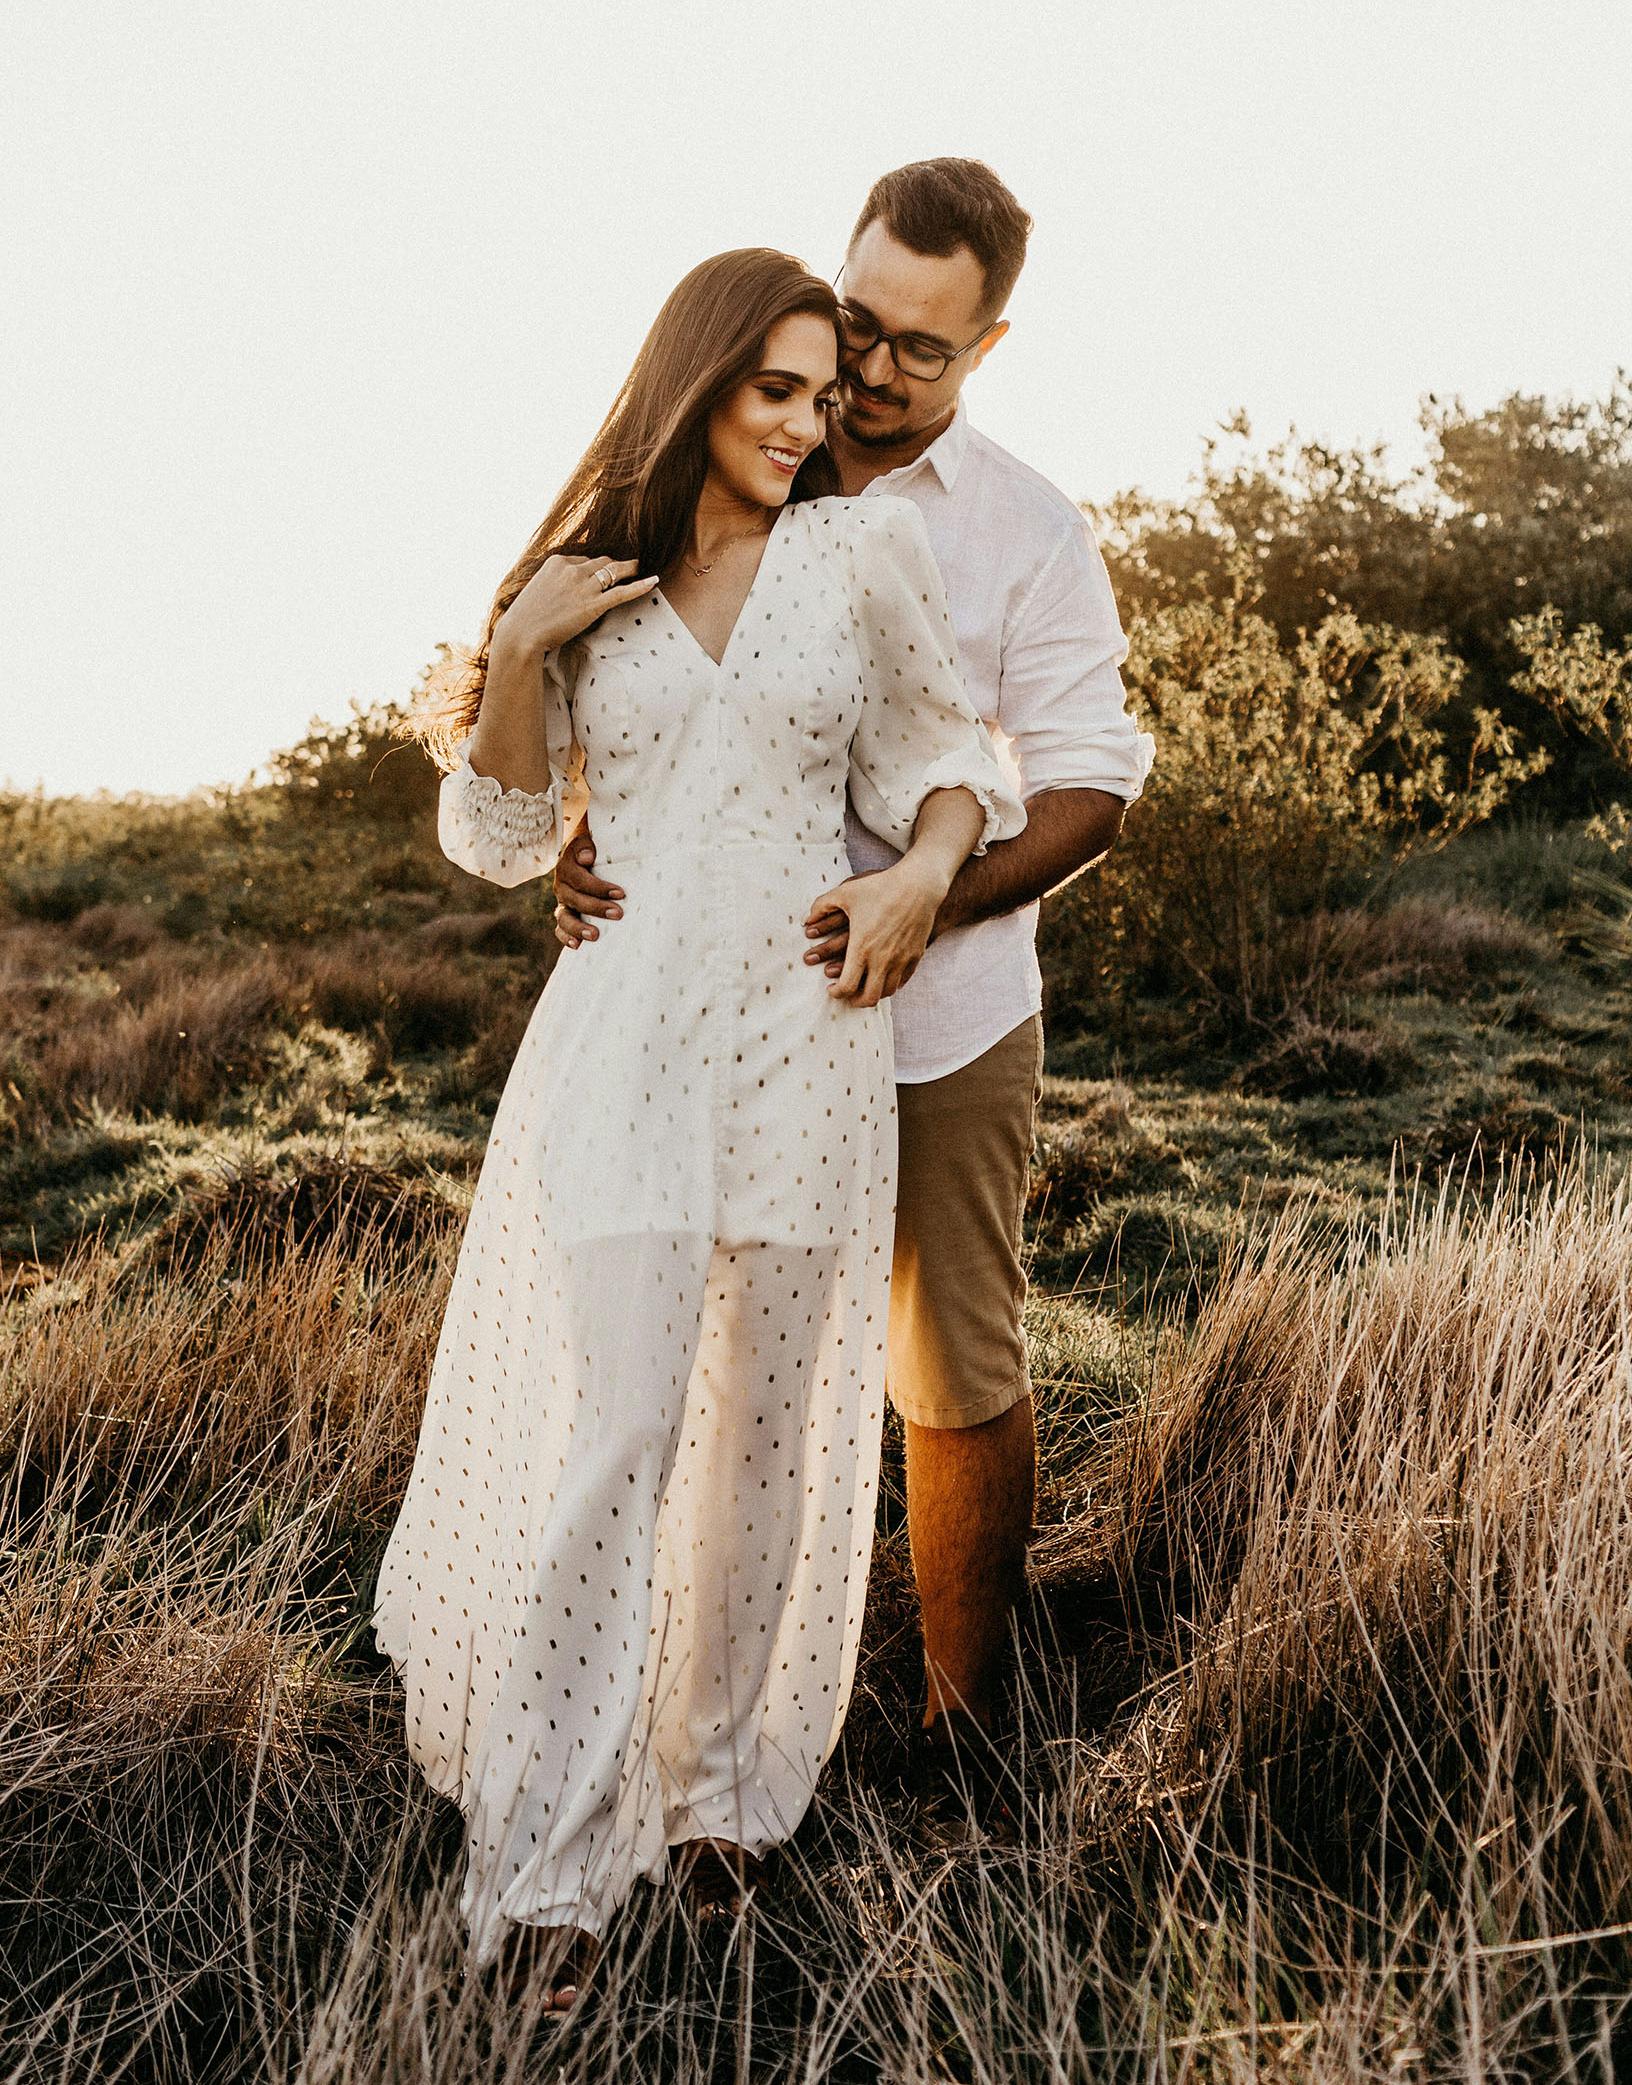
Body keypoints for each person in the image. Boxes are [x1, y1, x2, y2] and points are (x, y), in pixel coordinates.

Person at [370, 246, 1025, 2012]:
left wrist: (919, 877)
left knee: (761, 1443)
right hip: (629, 1041)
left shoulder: (857, 556)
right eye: (776, 390)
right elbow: (503, 841)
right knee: (621, 1432)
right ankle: (549, 1871)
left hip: (809, 1041)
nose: (810, 423)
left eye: (825, 393)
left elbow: (954, 763)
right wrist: (523, 645)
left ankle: (720, 1804)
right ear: (698, 381)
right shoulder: (593, 579)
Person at [554, 160, 1157, 1800]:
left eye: (922, 350)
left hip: (940, 1021)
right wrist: (581, 831)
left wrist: (926, 896)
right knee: (687, 1370)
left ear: (990, 347)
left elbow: (1091, 780)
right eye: (860, 325)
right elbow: (611, 684)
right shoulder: (725, 447)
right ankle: (665, 1737)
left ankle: (964, 1729)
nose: (873, 375)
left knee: (950, 1365)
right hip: (698, 1019)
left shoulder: (1028, 531)